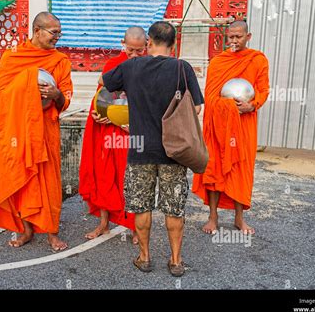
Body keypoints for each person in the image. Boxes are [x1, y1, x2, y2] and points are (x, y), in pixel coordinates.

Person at [99, 21, 203, 277]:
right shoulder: (182, 68)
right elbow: (197, 108)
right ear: (174, 44)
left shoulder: (132, 66)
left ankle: (144, 257)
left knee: (142, 206)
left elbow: (104, 82)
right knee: (174, 208)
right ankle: (176, 261)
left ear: (148, 43)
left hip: (140, 151)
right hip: (174, 151)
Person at [0, 12, 73, 252]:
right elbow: (0, 97)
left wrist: (56, 96)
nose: (57, 37)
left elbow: (66, 97)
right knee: (22, 178)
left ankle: (52, 233)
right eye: (54, 33)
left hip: (45, 130)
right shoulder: (12, 58)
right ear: (37, 31)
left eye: (59, 33)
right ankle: (26, 229)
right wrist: (28, 83)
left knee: (50, 181)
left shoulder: (60, 60)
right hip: (20, 130)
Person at [192, 20, 270, 235]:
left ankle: (239, 218)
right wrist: (226, 107)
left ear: (248, 36)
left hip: (244, 123)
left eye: (239, 37)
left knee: (240, 168)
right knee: (215, 167)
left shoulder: (257, 60)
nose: (234, 41)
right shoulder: (218, 62)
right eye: (231, 37)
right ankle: (213, 217)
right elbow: (210, 95)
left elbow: (263, 89)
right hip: (220, 125)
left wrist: (251, 105)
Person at [79, 27, 147, 245]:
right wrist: (98, 115)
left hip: (130, 130)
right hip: (109, 128)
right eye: (130, 51)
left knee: (131, 177)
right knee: (104, 173)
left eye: (139, 50)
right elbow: (102, 95)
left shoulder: (149, 66)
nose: (135, 56)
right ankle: (104, 222)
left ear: (146, 45)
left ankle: (135, 227)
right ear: (122, 44)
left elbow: (150, 102)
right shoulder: (112, 65)